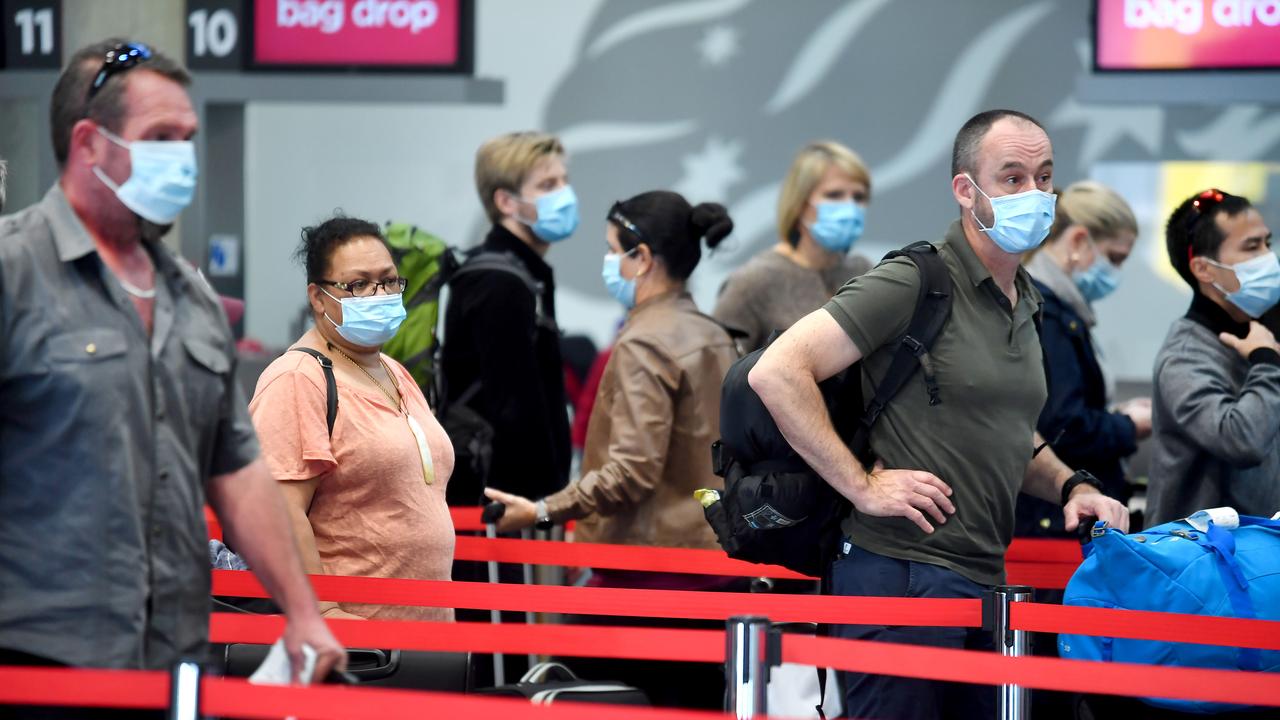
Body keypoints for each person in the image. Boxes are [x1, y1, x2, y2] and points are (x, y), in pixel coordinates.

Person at [747, 109, 1128, 720]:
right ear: (965, 190)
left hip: (983, 577)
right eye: (1011, 178)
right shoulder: (914, 279)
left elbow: (1003, 429)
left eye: (1044, 176)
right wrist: (862, 485)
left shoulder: (1024, 298)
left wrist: (1069, 483)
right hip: (901, 574)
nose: (1034, 194)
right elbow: (778, 370)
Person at [0, 39, 343, 685]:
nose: (182, 157)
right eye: (160, 136)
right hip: (36, 658)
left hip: (172, 651)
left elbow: (238, 472)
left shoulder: (193, 301)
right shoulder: (14, 271)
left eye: (187, 136)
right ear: (89, 145)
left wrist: (301, 611)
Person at [484, 190, 740, 708]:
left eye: (612, 249)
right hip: (710, 568)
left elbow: (632, 471)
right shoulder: (713, 334)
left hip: (649, 578)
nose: (608, 262)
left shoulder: (644, 342)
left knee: (571, 691)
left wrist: (540, 510)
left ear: (641, 257)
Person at [248, 216, 455, 622]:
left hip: (429, 633)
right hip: (357, 642)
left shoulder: (395, 371)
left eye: (389, 280)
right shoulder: (297, 378)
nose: (379, 294)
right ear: (318, 297)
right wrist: (322, 610)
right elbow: (276, 511)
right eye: (358, 284)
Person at [440, 131, 575, 505]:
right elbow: (512, 406)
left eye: (564, 181)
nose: (564, 194)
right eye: (548, 184)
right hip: (501, 502)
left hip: (518, 498)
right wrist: (540, 504)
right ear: (506, 201)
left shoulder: (525, 273)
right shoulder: (499, 280)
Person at [1019, 181, 1149, 536]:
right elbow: (1063, 427)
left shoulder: (1061, 310)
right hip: (1052, 514)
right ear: (1078, 241)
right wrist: (1129, 426)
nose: (1115, 272)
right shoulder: (1050, 315)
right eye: (1115, 258)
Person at [1147, 189, 1280, 526]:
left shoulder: (1262, 330)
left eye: (1267, 242)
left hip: (1258, 556)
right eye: (1252, 247)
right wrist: (1267, 362)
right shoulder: (1185, 355)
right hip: (1201, 564)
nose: (1268, 257)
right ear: (1204, 269)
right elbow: (1241, 440)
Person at [714, 140, 873, 352]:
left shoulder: (864, 272)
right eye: (834, 195)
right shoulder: (753, 281)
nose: (850, 207)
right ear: (799, 203)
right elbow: (718, 368)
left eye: (859, 197)